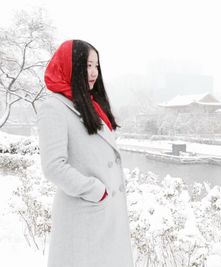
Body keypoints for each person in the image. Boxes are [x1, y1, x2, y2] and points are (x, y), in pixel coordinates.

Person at [37, 40, 134, 267]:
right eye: (87, 66)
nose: (93, 73)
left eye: (96, 66)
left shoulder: (91, 104)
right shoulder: (54, 107)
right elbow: (54, 166)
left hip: (106, 215)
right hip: (84, 212)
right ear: (70, 67)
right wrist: (96, 191)